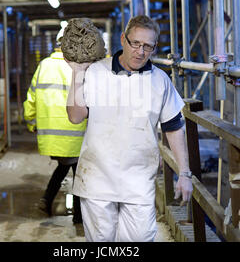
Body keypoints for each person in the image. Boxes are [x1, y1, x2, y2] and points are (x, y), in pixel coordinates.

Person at [65, 15, 193, 241]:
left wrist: (184, 173)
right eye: (136, 43)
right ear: (124, 39)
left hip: (139, 180)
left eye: (148, 46)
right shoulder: (95, 72)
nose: (141, 52)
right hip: (96, 179)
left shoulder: (160, 81)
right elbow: (75, 117)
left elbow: (173, 128)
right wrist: (77, 73)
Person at [23, 25, 86, 224]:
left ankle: (46, 200)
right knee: (79, 172)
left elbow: (31, 99)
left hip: (52, 137)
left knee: (66, 166)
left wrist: (32, 123)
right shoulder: (80, 67)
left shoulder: (44, 66)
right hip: (78, 134)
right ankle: (78, 214)